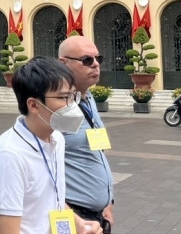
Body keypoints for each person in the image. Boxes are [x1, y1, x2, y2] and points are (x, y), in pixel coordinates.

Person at [0, 57, 102, 234]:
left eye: (73, 96)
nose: (71, 105)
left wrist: (80, 224)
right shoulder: (9, 154)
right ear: (34, 105)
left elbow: (52, 198)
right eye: (64, 97)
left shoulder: (57, 138)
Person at [59, 36, 115, 233]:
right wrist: (71, 219)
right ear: (63, 64)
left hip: (98, 214)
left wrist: (108, 202)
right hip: (72, 214)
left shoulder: (88, 97)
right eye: (87, 60)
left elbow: (96, 152)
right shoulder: (56, 107)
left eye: (98, 58)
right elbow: (38, 170)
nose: (96, 64)